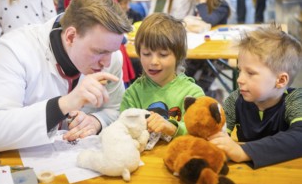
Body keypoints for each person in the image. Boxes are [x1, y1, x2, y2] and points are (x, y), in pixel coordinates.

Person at [0, 0, 132, 154]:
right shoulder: (13, 50)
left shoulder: (111, 56)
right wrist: (64, 104)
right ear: (71, 36)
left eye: (112, 51)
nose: (107, 62)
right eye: (99, 52)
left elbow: (116, 109)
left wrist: (97, 120)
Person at [209, 23, 302, 169]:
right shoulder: (234, 100)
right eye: (239, 70)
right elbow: (217, 132)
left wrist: (244, 152)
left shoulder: (295, 100)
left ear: (281, 80)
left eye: (250, 73)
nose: (239, 79)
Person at [120, 13, 205, 144]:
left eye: (163, 55)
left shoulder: (192, 94)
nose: (153, 61)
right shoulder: (133, 95)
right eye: (146, 54)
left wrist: (172, 128)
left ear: (178, 56)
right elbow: (121, 130)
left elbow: (202, 131)